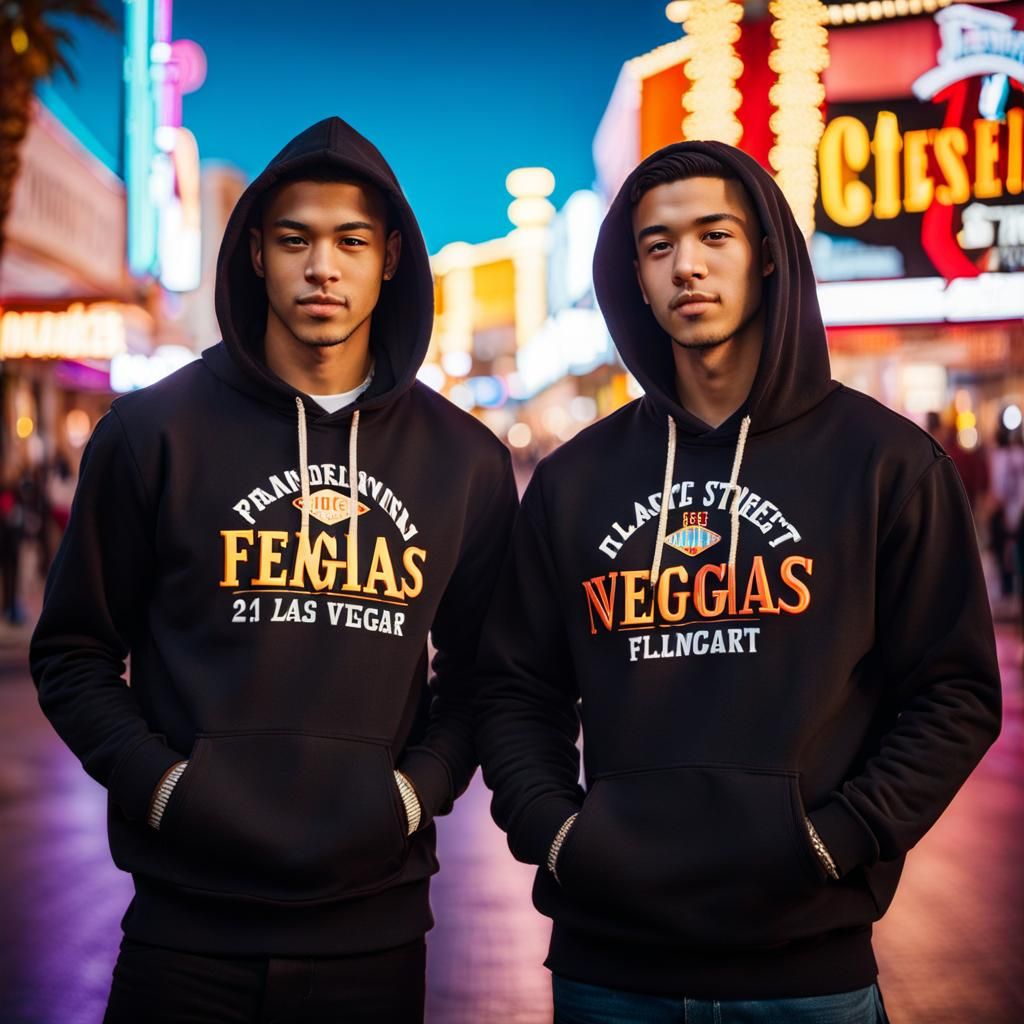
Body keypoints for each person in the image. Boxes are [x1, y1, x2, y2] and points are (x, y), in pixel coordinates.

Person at [475, 142, 1001, 1023]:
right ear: (633, 277)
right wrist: (556, 832)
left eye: (713, 234)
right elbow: (512, 686)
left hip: (808, 973)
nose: (687, 264)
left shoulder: (886, 465)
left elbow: (954, 692)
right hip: (610, 969)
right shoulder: (576, 482)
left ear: (764, 250)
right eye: (656, 245)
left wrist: (839, 841)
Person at [31, 116, 517, 1024]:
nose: (322, 266)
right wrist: (166, 788)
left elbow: (488, 678)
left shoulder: (466, 463)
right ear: (255, 251)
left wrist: (413, 794)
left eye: (350, 241)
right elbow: (72, 654)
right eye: (295, 238)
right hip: (184, 934)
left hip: (374, 934)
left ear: (391, 259)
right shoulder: (151, 435)